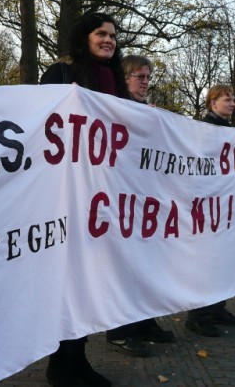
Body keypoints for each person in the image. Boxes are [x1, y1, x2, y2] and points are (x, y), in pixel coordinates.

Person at [40, 12, 130, 387]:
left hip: (103, 194)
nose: (108, 39)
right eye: (100, 33)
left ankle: (77, 358)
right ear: (85, 37)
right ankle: (61, 364)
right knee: (68, 278)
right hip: (66, 192)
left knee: (90, 279)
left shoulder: (116, 80)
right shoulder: (60, 73)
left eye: (112, 34)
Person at [104, 55, 174, 357]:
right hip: (119, 201)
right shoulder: (110, 107)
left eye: (147, 77)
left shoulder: (148, 112)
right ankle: (119, 330)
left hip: (147, 203)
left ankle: (144, 322)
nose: (145, 82)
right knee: (123, 269)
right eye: (139, 77)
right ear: (125, 78)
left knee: (148, 267)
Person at [184, 84, 235, 337]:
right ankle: (197, 316)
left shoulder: (230, 131)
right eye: (227, 100)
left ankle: (218, 307)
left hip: (224, 205)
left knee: (223, 260)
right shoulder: (203, 130)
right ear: (213, 103)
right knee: (205, 264)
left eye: (233, 99)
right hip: (207, 205)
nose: (233, 104)